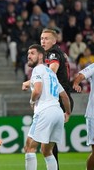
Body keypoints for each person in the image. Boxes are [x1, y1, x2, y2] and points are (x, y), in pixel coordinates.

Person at [22, 28, 74, 169]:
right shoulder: (51, 75)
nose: (29, 56)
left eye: (32, 54)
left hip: (45, 111)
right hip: (58, 112)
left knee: (29, 148)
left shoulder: (39, 69)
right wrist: (67, 113)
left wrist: (32, 100)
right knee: (47, 151)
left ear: (40, 56)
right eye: (28, 54)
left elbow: (37, 91)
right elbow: (64, 97)